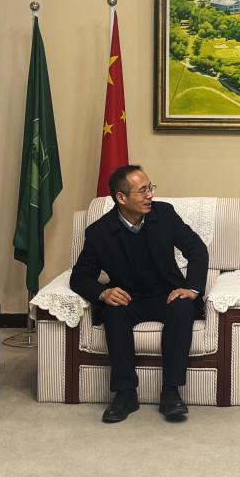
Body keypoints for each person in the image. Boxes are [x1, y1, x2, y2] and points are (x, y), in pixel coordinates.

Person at [70, 165, 208, 424]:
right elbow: (79, 277)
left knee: (182, 307)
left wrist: (191, 288)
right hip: (129, 298)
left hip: (167, 294)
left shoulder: (164, 214)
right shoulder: (100, 232)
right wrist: (103, 292)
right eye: (142, 190)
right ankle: (125, 393)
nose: (150, 195)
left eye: (150, 188)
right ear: (121, 197)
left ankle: (171, 392)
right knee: (113, 313)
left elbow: (197, 249)